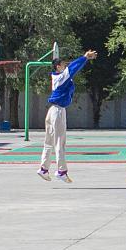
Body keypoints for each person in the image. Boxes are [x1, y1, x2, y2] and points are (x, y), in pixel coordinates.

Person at [39, 49, 95, 182]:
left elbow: (70, 70)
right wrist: (85, 57)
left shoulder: (57, 77)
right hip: (58, 111)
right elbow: (73, 68)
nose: (65, 66)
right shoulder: (61, 77)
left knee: (49, 141)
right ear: (58, 67)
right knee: (60, 142)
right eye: (63, 65)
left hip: (52, 111)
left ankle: (43, 169)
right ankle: (61, 171)